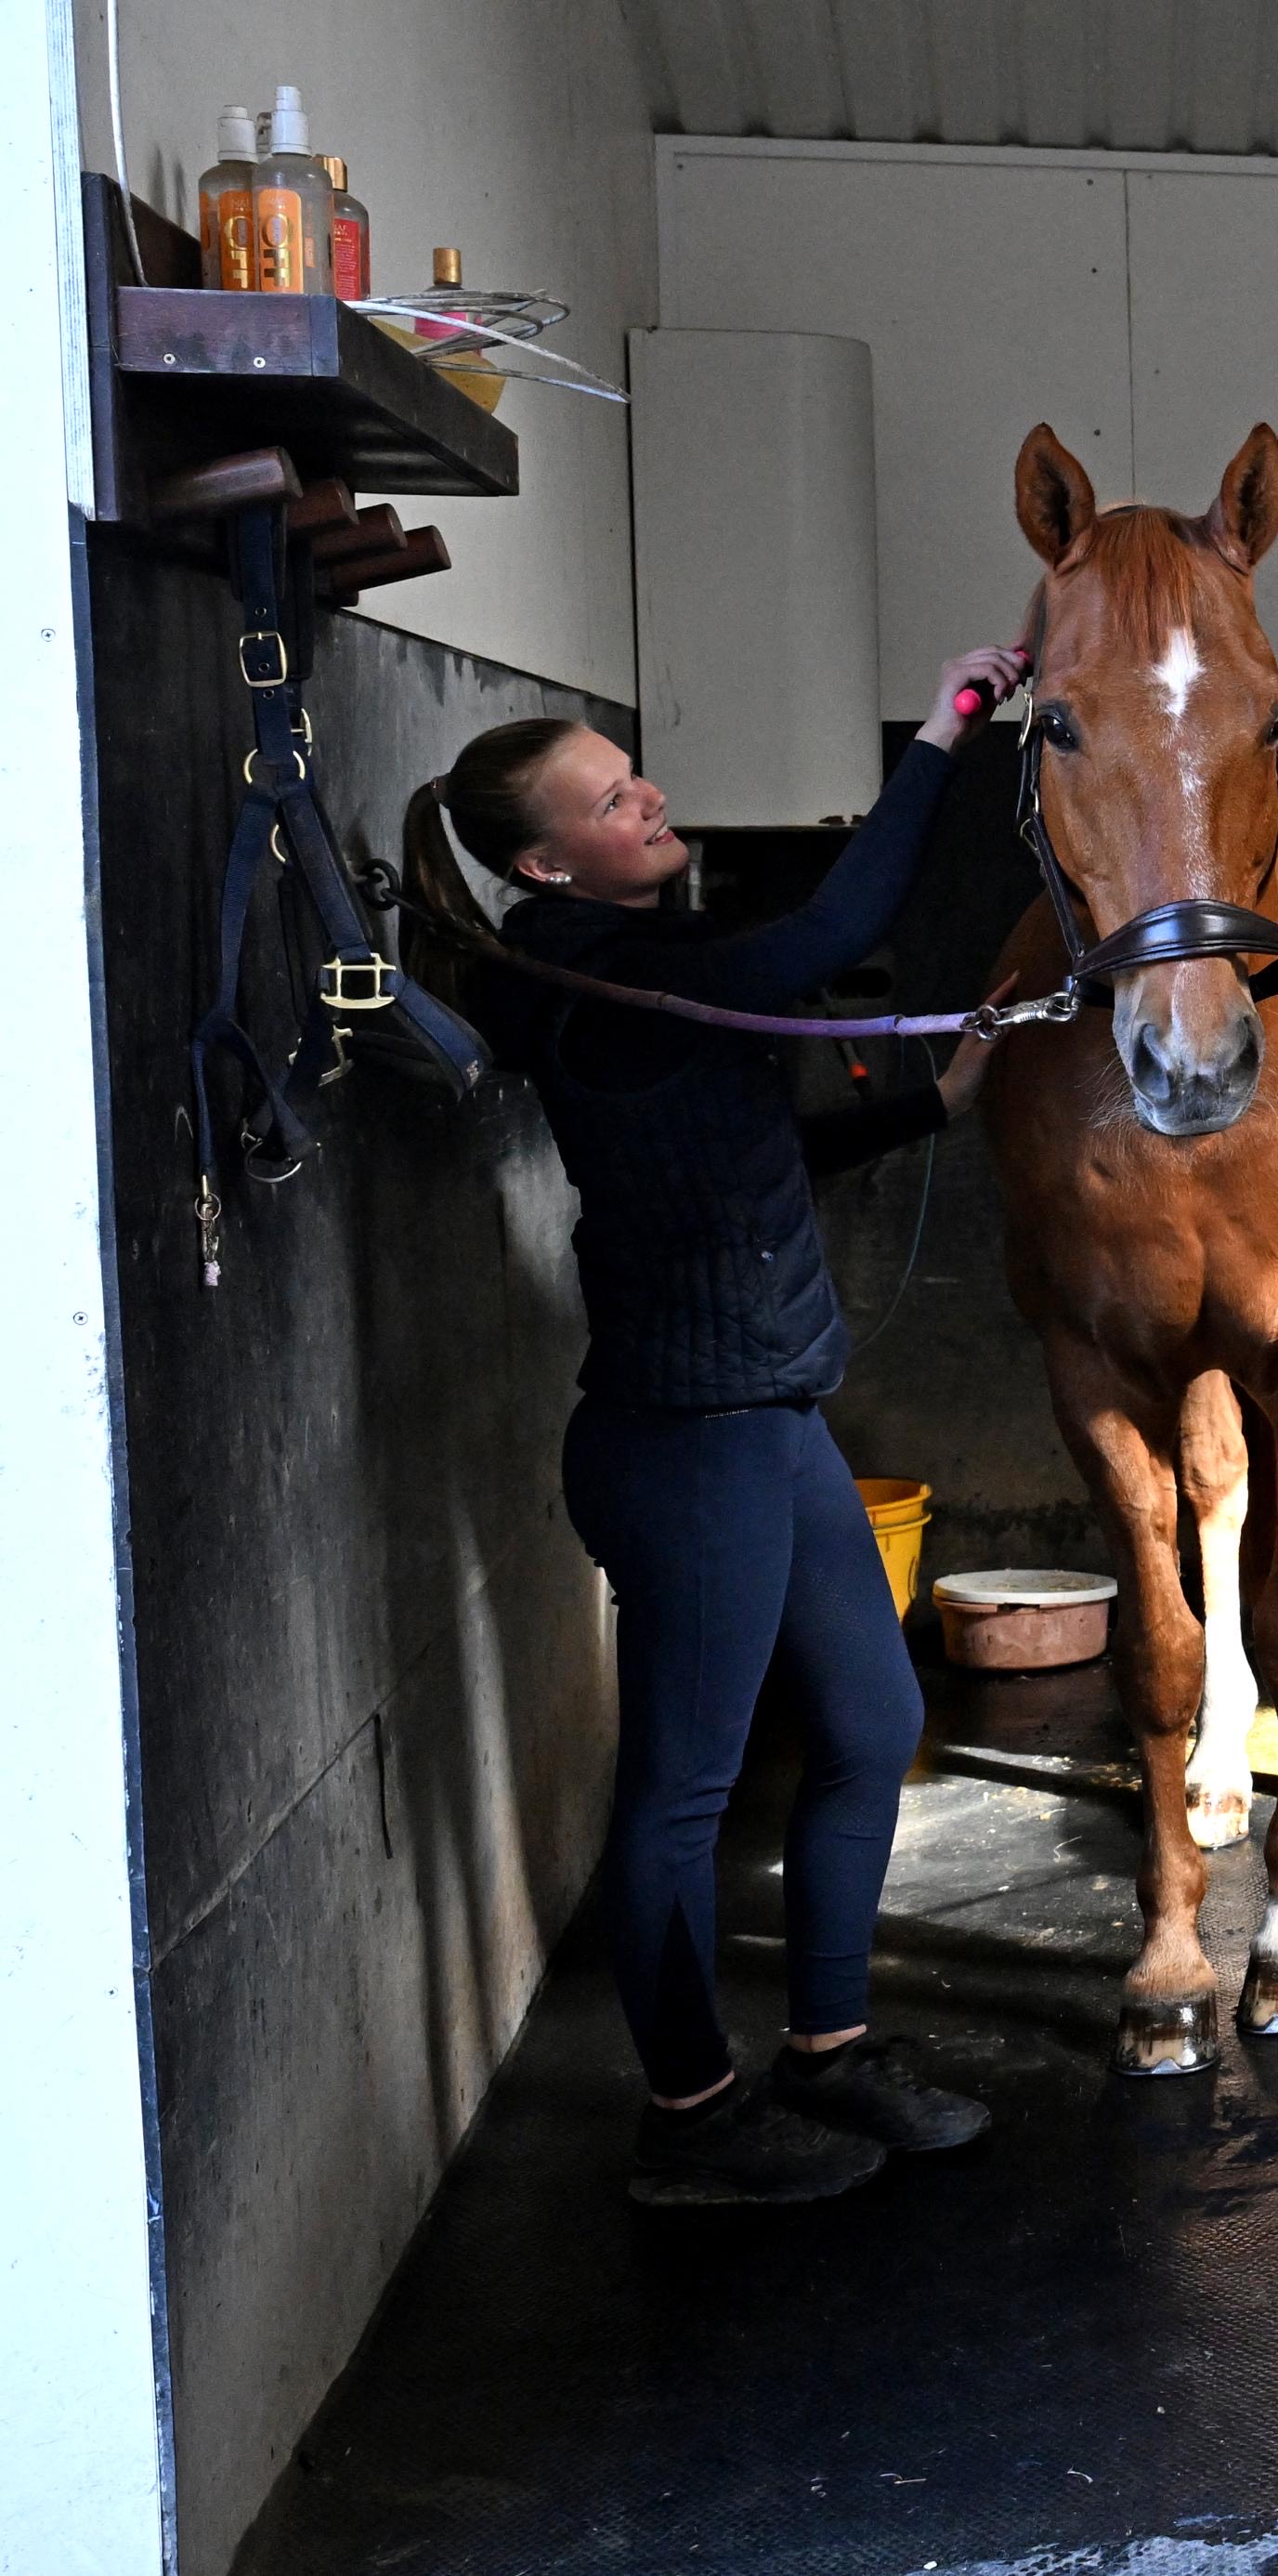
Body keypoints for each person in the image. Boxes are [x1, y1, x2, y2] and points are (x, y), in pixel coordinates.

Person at [403, 640, 1029, 2202]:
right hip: (688, 1442)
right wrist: (951, 726)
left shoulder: (624, 972)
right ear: (549, 860)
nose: (652, 796)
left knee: (875, 1722)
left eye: (638, 774)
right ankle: (686, 2115)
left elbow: (739, 1168)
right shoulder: (605, 968)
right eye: (617, 797)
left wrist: (926, 1105)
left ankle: (828, 2048)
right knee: (683, 1792)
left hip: (768, 1422)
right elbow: (844, 923)